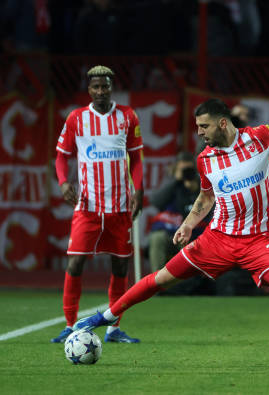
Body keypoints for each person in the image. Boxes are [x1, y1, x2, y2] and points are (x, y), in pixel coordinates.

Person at [75, 99, 269, 369]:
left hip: (258, 240)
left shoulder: (258, 137)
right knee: (162, 278)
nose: (199, 132)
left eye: (204, 126)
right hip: (217, 238)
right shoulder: (204, 159)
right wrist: (187, 224)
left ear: (222, 123)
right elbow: (206, 198)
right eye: (197, 127)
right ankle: (106, 316)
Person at [51, 65, 143, 344]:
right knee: (75, 263)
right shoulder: (77, 118)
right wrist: (64, 182)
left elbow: (136, 158)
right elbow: (61, 157)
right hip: (88, 207)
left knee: (120, 268)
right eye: (95, 87)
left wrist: (138, 189)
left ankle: (114, 329)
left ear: (111, 87)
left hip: (119, 206)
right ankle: (69, 325)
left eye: (105, 86)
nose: (101, 91)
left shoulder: (127, 116)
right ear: (88, 89)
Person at [149, 151, 203, 273]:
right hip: (172, 232)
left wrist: (195, 187)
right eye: (182, 170)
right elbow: (156, 201)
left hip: (195, 233)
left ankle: (188, 286)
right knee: (157, 238)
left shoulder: (201, 184)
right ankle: (158, 284)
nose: (186, 173)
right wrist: (176, 180)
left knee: (188, 241)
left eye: (189, 170)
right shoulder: (173, 186)